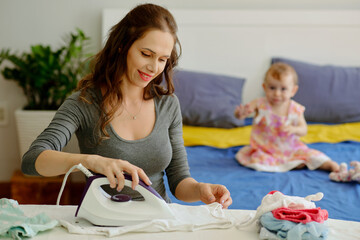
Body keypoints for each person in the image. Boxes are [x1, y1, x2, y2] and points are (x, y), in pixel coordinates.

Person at [21, 3, 232, 208]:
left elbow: (179, 181)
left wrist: (200, 189)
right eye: (146, 54)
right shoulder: (83, 103)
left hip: (158, 222)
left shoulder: (168, 105)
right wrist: (91, 161)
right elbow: (31, 161)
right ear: (123, 46)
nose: (153, 67)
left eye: (162, 59)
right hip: (105, 224)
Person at [234, 62, 339, 173]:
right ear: (264, 87)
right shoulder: (260, 104)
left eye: (283, 89)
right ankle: (292, 164)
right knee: (259, 159)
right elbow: (243, 115)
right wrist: (240, 113)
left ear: (293, 91)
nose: (277, 93)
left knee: (310, 154)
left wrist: (294, 129)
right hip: (265, 149)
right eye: (272, 88)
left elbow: (304, 130)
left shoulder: (295, 109)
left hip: (290, 148)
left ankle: (330, 165)